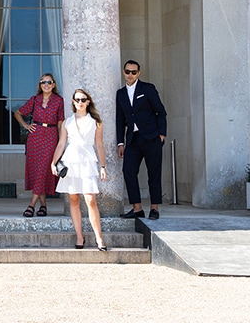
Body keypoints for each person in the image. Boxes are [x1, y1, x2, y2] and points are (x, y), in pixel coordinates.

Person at [50, 89, 108, 251]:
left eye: (83, 99)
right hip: (71, 161)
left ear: (88, 101)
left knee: (90, 200)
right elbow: (61, 144)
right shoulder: (67, 122)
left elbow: (99, 145)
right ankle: (79, 236)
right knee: (73, 200)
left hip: (88, 161)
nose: (80, 102)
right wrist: (53, 163)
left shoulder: (96, 121)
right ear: (73, 102)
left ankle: (99, 238)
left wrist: (103, 166)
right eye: (77, 100)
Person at [116, 59, 167, 220]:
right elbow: (119, 120)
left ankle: (154, 208)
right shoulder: (121, 93)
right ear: (124, 72)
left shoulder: (148, 89)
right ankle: (137, 208)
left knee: (154, 173)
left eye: (133, 72)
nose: (130, 75)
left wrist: (161, 134)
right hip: (133, 139)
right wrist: (120, 142)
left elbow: (161, 112)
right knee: (128, 171)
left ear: (138, 73)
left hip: (152, 137)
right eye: (127, 71)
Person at [14, 73, 64, 218]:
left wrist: (61, 143)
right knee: (37, 172)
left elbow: (60, 123)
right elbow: (18, 113)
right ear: (40, 84)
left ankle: (31, 205)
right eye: (43, 82)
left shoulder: (59, 101)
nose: (46, 85)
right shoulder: (35, 100)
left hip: (51, 136)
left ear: (54, 85)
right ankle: (43, 206)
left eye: (49, 82)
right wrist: (26, 125)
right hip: (35, 138)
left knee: (43, 169)